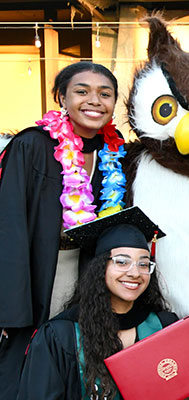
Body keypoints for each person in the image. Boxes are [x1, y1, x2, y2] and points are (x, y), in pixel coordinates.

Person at [0, 62, 128, 399]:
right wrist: (9, 304)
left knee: (79, 358)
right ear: (62, 97)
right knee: (30, 360)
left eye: (105, 94)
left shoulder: (115, 152)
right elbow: (8, 223)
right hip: (38, 270)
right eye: (82, 92)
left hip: (90, 271)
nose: (94, 101)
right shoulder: (32, 145)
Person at [16, 206, 189, 399]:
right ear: (100, 268)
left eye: (144, 264)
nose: (135, 273)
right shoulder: (60, 336)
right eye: (122, 262)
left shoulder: (165, 327)